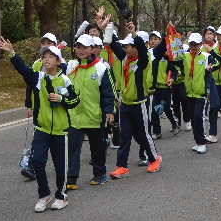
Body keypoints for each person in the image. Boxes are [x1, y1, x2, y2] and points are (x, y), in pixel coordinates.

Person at [0, 39, 79, 212]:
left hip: (60, 131)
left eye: (51, 56)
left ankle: (61, 196)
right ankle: (44, 195)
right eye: (44, 57)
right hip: (41, 129)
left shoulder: (65, 80)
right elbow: (23, 69)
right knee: (37, 161)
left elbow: (74, 101)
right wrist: (12, 54)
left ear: (58, 61)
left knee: (60, 166)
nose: (47, 59)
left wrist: (61, 99)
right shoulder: (38, 77)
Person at [109, 22, 163, 179]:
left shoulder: (143, 61)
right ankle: (122, 167)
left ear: (136, 48)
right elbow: (113, 44)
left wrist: (134, 34)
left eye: (128, 46)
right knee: (124, 136)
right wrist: (106, 27)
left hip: (140, 104)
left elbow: (143, 50)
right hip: (125, 104)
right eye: (125, 46)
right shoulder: (125, 59)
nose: (125, 49)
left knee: (143, 135)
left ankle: (155, 158)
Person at [65, 34, 115, 188]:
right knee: (73, 147)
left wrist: (109, 111)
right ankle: (71, 178)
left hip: (95, 115)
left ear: (93, 49)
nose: (80, 50)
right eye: (78, 47)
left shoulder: (101, 68)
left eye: (84, 47)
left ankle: (100, 174)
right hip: (75, 116)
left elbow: (109, 92)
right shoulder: (71, 66)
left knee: (97, 147)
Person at [165, 31, 213, 153]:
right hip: (189, 92)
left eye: (195, 44)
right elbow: (176, 63)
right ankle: (197, 141)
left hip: (201, 93)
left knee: (198, 116)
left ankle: (203, 142)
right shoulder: (185, 56)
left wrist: (212, 67)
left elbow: (215, 64)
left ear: (200, 44)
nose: (193, 46)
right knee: (192, 117)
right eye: (191, 44)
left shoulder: (206, 57)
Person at [148, 31, 179, 138]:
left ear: (160, 41)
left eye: (155, 39)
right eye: (151, 39)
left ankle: (174, 123)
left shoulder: (166, 56)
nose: (153, 41)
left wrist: (172, 79)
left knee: (166, 108)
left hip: (165, 87)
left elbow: (174, 71)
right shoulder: (149, 55)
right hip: (154, 88)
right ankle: (157, 131)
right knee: (154, 110)